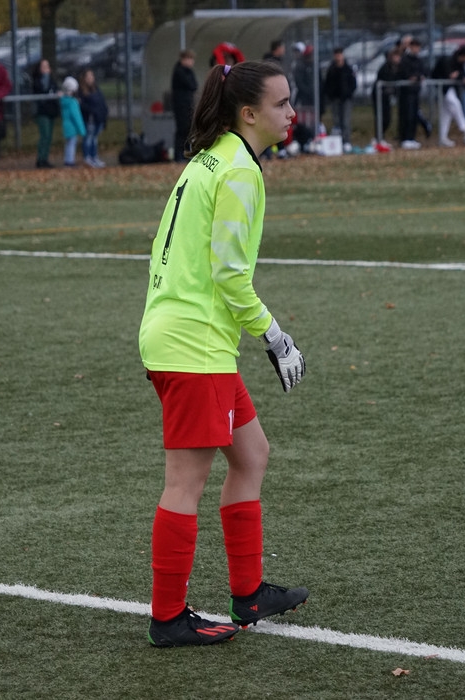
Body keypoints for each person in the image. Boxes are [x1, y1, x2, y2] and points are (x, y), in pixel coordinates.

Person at [138, 60, 308, 648]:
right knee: (185, 482)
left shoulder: (212, 157)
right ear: (249, 113)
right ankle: (168, 619)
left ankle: (249, 592)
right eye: (282, 104)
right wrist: (275, 336)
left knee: (251, 454)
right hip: (194, 345)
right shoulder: (237, 169)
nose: (292, 113)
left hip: (189, 339)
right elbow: (230, 274)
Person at [432, 46, 465, 147]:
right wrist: (453, 75)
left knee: (446, 114)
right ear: (462, 56)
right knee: (455, 103)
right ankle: (463, 126)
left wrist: (459, 76)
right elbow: (447, 74)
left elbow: (461, 75)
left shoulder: (461, 64)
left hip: (451, 88)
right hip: (443, 87)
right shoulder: (448, 61)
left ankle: (443, 138)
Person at [396, 38, 429, 149]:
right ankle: (405, 138)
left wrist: (419, 77)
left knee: (414, 115)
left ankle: (412, 138)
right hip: (406, 93)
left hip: (415, 91)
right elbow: (405, 74)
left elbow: (424, 71)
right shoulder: (405, 59)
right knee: (407, 115)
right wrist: (414, 77)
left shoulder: (418, 60)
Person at [323, 47, 356, 148]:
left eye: (340, 54)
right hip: (335, 99)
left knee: (345, 121)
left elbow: (353, 83)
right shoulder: (331, 69)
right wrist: (330, 95)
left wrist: (348, 93)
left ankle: (346, 141)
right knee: (336, 121)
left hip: (346, 99)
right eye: (336, 55)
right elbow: (327, 84)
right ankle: (338, 141)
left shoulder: (348, 69)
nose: (338, 57)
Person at [170, 49, 198, 162]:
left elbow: (194, 85)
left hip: (188, 104)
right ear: (183, 59)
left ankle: (186, 152)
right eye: (189, 59)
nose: (191, 62)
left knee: (188, 129)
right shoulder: (179, 71)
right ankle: (179, 154)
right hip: (180, 105)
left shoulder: (188, 71)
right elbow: (190, 84)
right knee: (182, 129)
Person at [31, 59, 59, 168]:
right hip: (42, 112)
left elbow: (55, 90)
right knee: (45, 135)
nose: (46, 69)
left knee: (49, 136)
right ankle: (41, 159)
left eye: (47, 66)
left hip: (51, 111)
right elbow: (42, 91)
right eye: (43, 66)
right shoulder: (37, 81)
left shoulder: (52, 81)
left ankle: (45, 158)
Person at [78, 69, 108, 168]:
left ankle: (94, 156)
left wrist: (103, 114)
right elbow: (82, 105)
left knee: (94, 139)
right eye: (88, 76)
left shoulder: (96, 89)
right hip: (90, 119)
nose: (90, 78)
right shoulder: (82, 92)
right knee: (88, 138)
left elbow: (102, 103)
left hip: (98, 118)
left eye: (92, 76)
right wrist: (92, 112)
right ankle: (87, 157)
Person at [372, 48, 401, 148]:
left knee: (388, 118)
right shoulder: (385, 68)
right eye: (395, 56)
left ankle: (381, 137)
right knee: (381, 117)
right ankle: (378, 138)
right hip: (379, 96)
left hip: (387, 97)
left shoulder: (398, 68)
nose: (397, 59)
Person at [59, 76, 85, 167]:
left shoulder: (63, 101)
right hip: (72, 127)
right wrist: (81, 129)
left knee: (68, 144)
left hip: (66, 126)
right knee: (72, 144)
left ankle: (67, 160)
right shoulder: (73, 102)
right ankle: (70, 161)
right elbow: (76, 117)